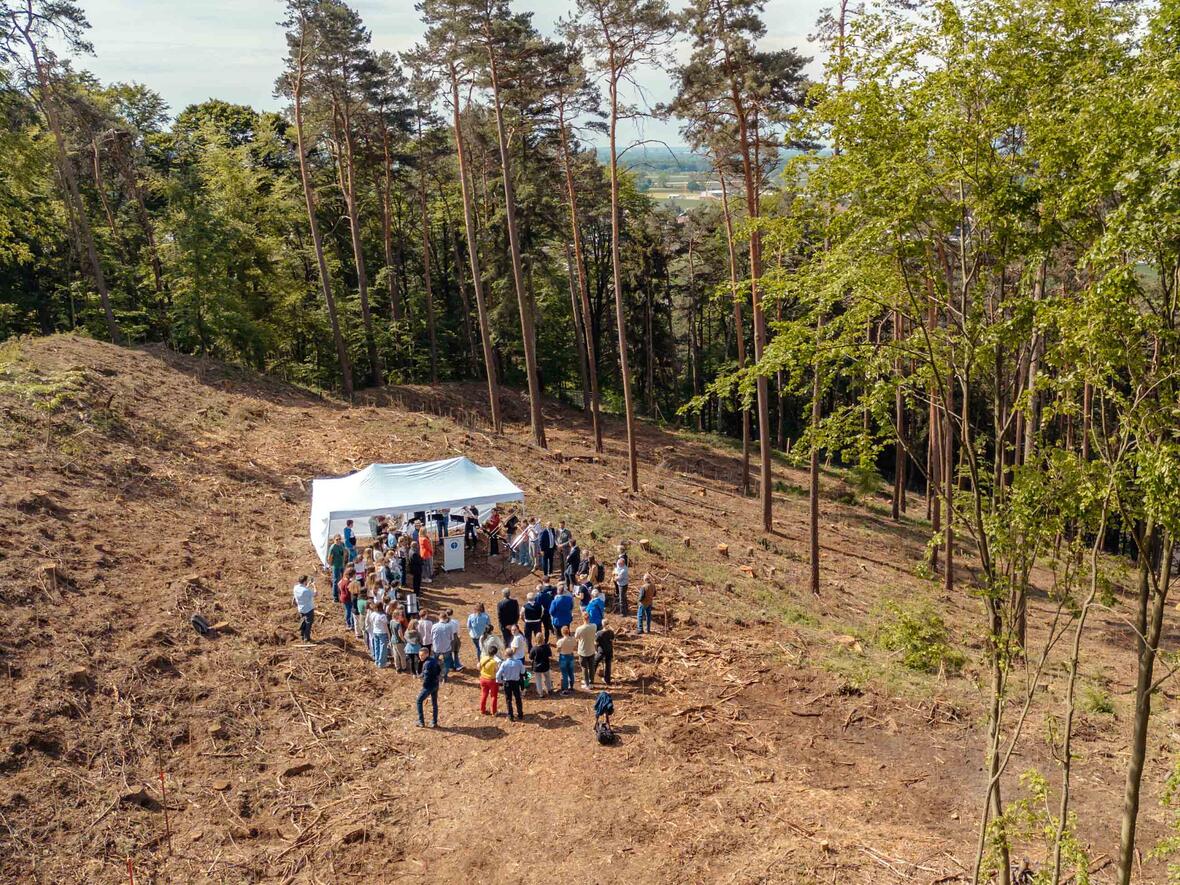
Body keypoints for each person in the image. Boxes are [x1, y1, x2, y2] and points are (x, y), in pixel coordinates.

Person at [496, 651, 525, 722]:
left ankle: (510, 715)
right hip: (516, 682)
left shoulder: (504, 664)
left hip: (507, 683)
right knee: (518, 698)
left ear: (506, 655)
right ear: (513, 654)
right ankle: (520, 714)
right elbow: (523, 672)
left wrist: (499, 682)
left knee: (508, 699)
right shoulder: (519, 662)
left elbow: (498, 675)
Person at [416, 649, 441, 728]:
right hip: (436, 684)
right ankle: (434, 722)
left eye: (422, 655)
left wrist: (424, 685)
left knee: (419, 701)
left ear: (427, 654)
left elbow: (426, 676)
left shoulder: (426, 664)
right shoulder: (433, 660)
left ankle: (421, 721)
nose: (420, 657)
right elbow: (439, 670)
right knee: (434, 703)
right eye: (419, 655)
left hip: (429, 686)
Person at [432, 611, 458, 682]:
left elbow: (432, 636)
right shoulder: (449, 627)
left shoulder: (434, 626)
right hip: (446, 647)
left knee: (435, 661)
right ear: (446, 618)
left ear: (439, 618)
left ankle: (435, 674)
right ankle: (444, 676)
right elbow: (451, 638)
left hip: (436, 647)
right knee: (446, 662)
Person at [575, 613, 597, 690]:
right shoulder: (594, 626)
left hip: (583, 651)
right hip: (591, 649)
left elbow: (576, 637)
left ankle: (587, 683)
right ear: (589, 618)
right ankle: (591, 682)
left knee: (584, 668)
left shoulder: (579, 629)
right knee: (591, 667)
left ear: (583, 619)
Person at [293, 575, 315, 642]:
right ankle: (306, 638)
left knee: (303, 622)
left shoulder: (295, 587)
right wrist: (314, 586)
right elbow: (315, 594)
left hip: (301, 608)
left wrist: (307, 585)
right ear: (305, 581)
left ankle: (302, 635)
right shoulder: (306, 590)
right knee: (308, 623)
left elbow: (303, 591)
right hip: (308, 609)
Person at [478, 648, 500, 715]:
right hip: (492, 680)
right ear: (495, 654)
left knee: (484, 694)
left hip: (483, 678)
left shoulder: (483, 658)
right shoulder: (494, 662)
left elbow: (478, 666)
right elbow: (497, 671)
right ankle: (493, 711)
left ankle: (482, 710)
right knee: (493, 696)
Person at [556, 625, 577, 694]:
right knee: (571, 672)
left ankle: (565, 689)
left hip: (563, 657)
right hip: (570, 656)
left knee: (564, 673)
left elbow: (558, 650)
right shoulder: (573, 639)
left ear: (562, 633)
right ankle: (571, 686)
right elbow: (575, 648)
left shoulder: (560, 641)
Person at [594, 618, 615, 686]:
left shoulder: (599, 633)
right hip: (609, 650)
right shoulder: (611, 632)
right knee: (608, 665)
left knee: (594, 663)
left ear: (602, 625)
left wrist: (595, 649)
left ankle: (590, 678)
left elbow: (596, 642)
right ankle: (607, 680)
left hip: (601, 651)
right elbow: (612, 640)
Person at [370, 604, 390, 668]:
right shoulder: (382, 616)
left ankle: (377, 661)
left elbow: (371, 621)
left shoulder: (373, 614)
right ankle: (382, 663)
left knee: (376, 647)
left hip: (375, 632)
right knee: (383, 648)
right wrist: (389, 634)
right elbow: (386, 626)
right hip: (382, 632)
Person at [327, 535, 347, 600]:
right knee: (336, 581)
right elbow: (329, 557)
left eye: (339, 539)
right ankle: (335, 597)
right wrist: (330, 565)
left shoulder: (342, 544)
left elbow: (344, 553)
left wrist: (344, 562)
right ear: (334, 540)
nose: (338, 541)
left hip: (341, 565)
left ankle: (342, 592)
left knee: (343, 579)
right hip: (336, 565)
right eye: (337, 539)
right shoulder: (333, 547)